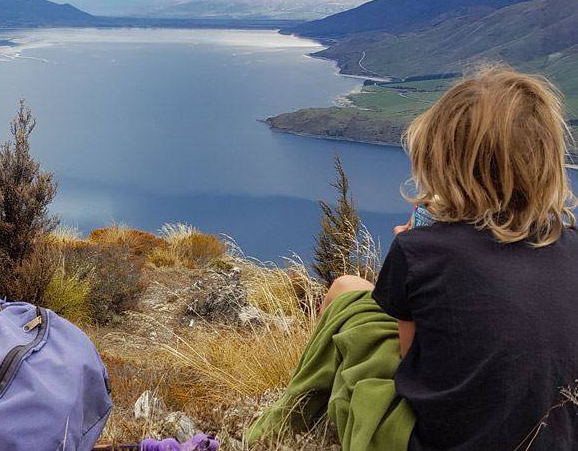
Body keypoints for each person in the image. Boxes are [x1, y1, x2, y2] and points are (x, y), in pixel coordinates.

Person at [248, 65, 578, 450]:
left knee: (345, 290)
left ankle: (286, 420)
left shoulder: (420, 251)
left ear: (443, 162)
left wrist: (418, 250)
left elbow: (410, 360)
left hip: (435, 442)